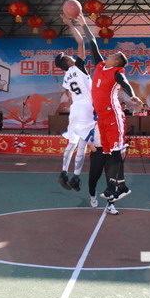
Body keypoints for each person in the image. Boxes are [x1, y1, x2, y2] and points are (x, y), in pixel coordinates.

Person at [77, 13, 143, 203]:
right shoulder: (100, 66)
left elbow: (125, 83)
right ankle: (120, 187)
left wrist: (132, 95)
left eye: (113, 56)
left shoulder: (116, 72)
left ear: (117, 62)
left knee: (115, 151)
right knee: (107, 152)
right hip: (102, 118)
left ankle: (115, 187)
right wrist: (84, 24)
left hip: (113, 115)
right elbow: (93, 44)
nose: (109, 55)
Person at [54, 14, 96, 191]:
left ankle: (63, 172)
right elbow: (81, 43)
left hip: (75, 109)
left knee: (71, 142)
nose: (72, 56)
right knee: (82, 145)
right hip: (86, 108)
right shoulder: (77, 67)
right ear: (68, 61)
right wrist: (70, 24)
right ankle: (76, 177)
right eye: (69, 56)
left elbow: (70, 95)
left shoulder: (66, 78)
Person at [87, 126, 121, 215]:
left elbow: (119, 132)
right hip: (97, 150)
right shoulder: (93, 119)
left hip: (111, 150)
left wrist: (122, 149)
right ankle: (92, 194)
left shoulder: (114, 119)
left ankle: (111, 205)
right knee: (93, 177)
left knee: (111, 178)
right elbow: (85, 130)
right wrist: (90, 143)